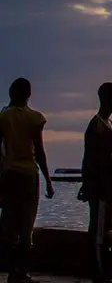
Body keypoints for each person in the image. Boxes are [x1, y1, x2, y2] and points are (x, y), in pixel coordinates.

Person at [0, 78, 55, 283]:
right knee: (26, 224)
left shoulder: (3, 117)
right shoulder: (35, 118)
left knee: (8, 224)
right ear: (28, 95)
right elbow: (39, 151)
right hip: (29, 176)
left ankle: (13, 270)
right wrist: (48, 180)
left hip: (9, 176)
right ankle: (21, 273)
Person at [78, 83, 112, 283]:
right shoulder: (95, 126)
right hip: (101, 190)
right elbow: (89, 160)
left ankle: (105, 271)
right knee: (98, 234)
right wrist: (87, 185)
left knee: (107, 232)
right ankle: (98, 274)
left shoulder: (110, 126)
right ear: (107, 100)